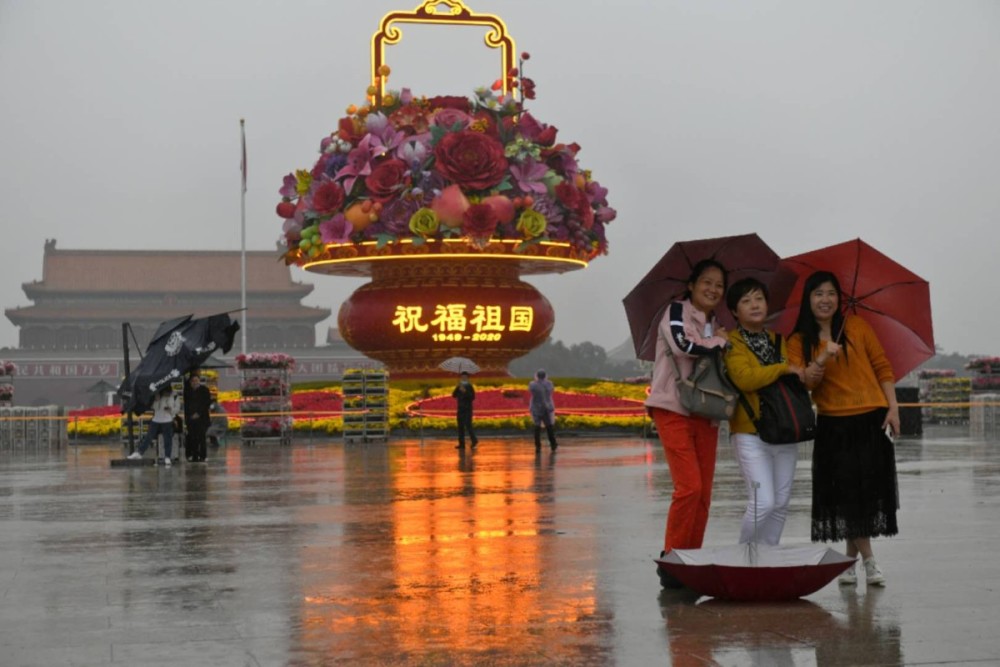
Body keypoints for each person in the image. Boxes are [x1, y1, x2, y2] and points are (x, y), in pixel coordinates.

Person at [786, 270, 899, 587]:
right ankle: (869, 560)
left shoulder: (859, 326)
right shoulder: (798, 341)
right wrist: (822, 355)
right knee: (849, 493)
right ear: (808, 300)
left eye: (831, 293)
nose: (825, 299)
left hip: (871, 418)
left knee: (862, 495)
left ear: (840, 298)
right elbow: (807, 383)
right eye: (818, 293)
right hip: (834, 423)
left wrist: (893, 407)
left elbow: (882, 366)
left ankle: (848, 562)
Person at [645, 259, 730, 588]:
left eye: (719, 285)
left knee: (704, 493)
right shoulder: (676, 312)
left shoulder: (715, 322)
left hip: (705, 411)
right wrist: (720, 342)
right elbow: (684, 345)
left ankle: (691, 559)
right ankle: (672, 559)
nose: (713, 289)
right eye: (707, 282)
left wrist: (719, 338)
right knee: (689, 487)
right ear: (692, 285)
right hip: (673, 407)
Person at [724, 277, 807, 545]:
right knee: (763, 503)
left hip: (784, 430)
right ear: (735, 311)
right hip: (750, 433)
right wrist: (782, 368)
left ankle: (767, 559)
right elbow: (745, 378)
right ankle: (744, 556)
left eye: (759, 298)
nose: (754, 305)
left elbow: (794, 377)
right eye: (746, 301)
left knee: (781, 503)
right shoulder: (731, 343)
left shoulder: (780, 341)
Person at [127, 385, 180, 466]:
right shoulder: (157, 395)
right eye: (165, 393)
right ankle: (139, 453)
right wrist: (157, 400)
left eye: (168, 394)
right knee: (149, 437)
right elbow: (153, 407)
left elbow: (177, 408)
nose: (167, 395)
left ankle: (167, 457)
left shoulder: (175, 396)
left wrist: (171, 410)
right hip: (156, 419)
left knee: (167, 439)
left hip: (168, 420)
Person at [184, 373, 213, 462]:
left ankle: (203, 456)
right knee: (192, 438)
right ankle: (194, 456)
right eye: (192, 381)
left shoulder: (204, 390)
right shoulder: (187, 391)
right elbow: (186, 406)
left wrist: (198, 413)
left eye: (196, 380)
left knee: (201, 437)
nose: (194, 382)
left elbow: (206, 403)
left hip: (202, 419)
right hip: (191, 419)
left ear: (199, 381)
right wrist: (189, 417)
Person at [528, 369, 558, 452]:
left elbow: (531, 390)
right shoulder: (549, 384)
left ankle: (538, 446)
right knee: (549, 426)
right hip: (547, 408)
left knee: (537, 427)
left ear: (537, 376)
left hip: (536, 407)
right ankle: (553, 443)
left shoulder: (533, 384)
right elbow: (551, 391)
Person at [452, 371, 478, 450]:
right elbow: (454, 395)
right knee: (460, 426)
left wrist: (465, 392)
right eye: (462, 377)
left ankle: (474, 440)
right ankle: (461, 444)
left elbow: (472, 397)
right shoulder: (459, 386)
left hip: (467, 409)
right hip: (460, 408)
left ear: (467, 378)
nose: (463, 378)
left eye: (465, 377)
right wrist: (457, 388)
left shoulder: (469, 386)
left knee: (468, 425)